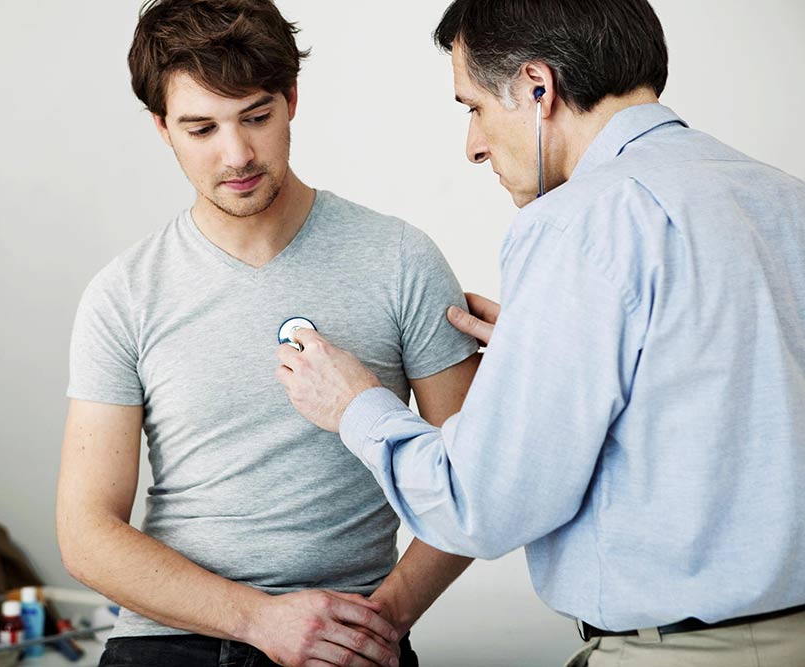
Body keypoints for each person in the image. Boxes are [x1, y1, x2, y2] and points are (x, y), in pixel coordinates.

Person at [276, 0, 805, 665]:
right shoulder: (784, 199)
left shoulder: (578, 222)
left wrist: (355, 403)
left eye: (472, 106)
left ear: (537, 87)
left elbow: (481, 504)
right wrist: (559, 350)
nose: (472, 144)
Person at [56, 1, 480, 666]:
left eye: (257, 116)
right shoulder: (124, 292)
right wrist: (258, 620)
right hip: (169, 643)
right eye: (201, 128)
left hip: (348, 639)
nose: (238, 154)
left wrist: (381, 620)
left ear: (291, 100)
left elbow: (475, 476)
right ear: (162, 129)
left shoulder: (401, 261)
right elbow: (85, 532)